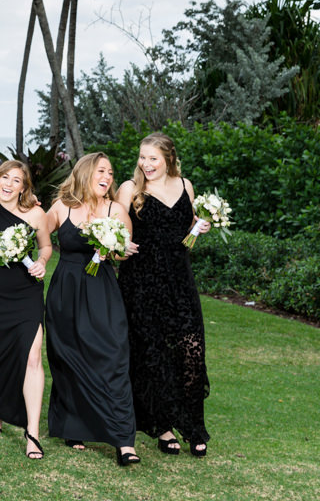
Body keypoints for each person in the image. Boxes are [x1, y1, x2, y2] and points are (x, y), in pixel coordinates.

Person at [116, 132, 212, 458]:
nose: (146, 164)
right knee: (152, 354)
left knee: (191, 349)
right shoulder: (130, 189)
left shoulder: (186, 186)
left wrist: (199, 230)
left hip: (179, 280)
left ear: (168, 158)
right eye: (142, 158)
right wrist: (117, 246)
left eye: (153, 158)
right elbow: (115, 231)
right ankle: (163, 428)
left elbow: (185, 239)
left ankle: (194, 427)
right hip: (141, 282)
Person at [45, 152, 140, 466]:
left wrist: (119, 247)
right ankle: (74, 426)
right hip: (66, 291)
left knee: (113, 356)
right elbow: (37, 232)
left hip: (101, 290)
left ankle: (125, 441)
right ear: (85, 173)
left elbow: (124, 253)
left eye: (111, 172)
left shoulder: (116, 209)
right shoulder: (61, 207)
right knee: (68, 357)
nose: (108, 177)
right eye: (102, 171)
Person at [0, 160, 53, 460]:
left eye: (16, 180)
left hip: (25, 292)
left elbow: (45, 247)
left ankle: (32, 431)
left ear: (24, 187)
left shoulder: (35, 213)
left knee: (32, 355)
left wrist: (42, 263)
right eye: (4, 177)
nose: (9, 183)